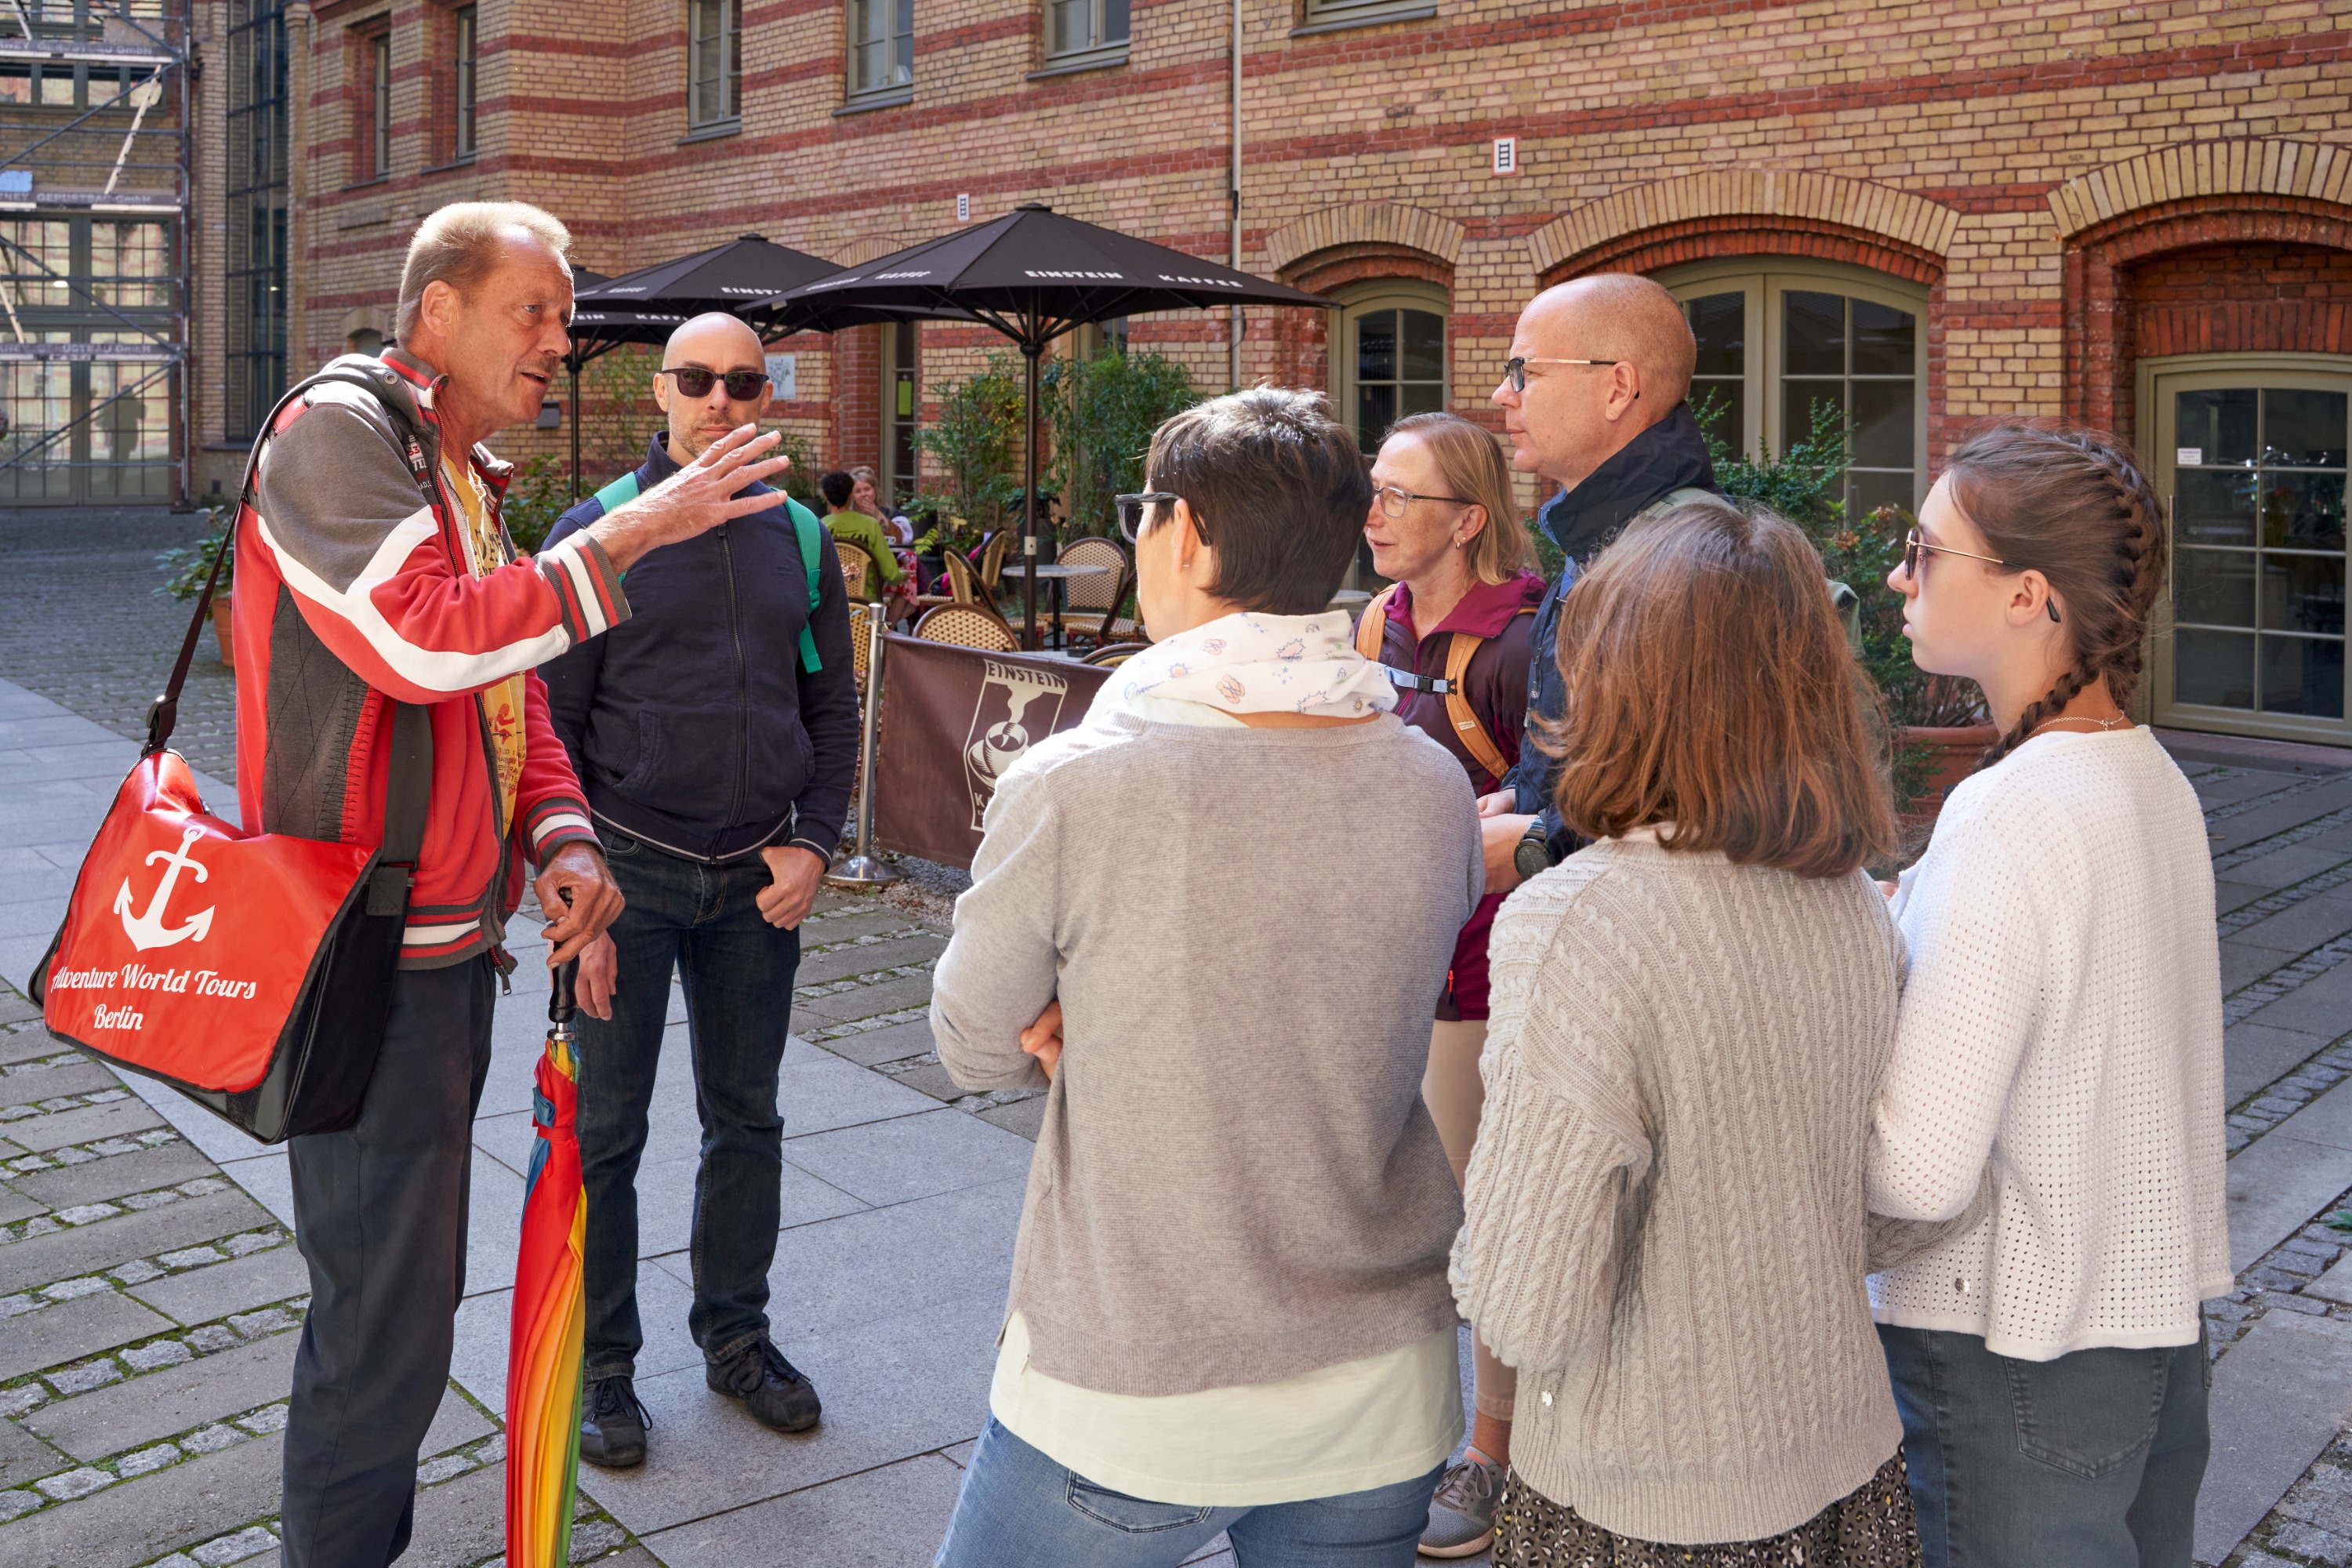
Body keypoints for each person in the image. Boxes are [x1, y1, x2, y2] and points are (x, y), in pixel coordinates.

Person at [233, 201, 789, 1566]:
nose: (565, 336)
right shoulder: (337, 435)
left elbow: (509, 689)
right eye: (535, 310)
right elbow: (423, 644)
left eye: (567, 309)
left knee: (406, 1320)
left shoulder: (452, 464)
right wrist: (633, 535)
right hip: (357, 963)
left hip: (437, 961)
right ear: (439, 313)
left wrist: (560, 838)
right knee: (382, 1335)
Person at [927, 388, 1482, 1568]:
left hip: (1137, 1380)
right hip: (1380, 1380)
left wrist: (1097, 1007)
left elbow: (972, 1042)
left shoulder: (1079, 783)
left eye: (1140, 514)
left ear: (1183, 533)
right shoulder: (1431, 782)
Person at [1452, 499, 1918, 1568]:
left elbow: (1527, 1307)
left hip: (1641, 1499)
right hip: (1848, 1463)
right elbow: (1894, 1213)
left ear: (1620, 679)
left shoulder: (1576, 924)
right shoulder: (1851, 900)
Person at [1867, 424, 2227, 1568]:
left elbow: (1915, 1169)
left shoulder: (2012, 810)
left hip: (2011, 1343)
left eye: (1925, 551)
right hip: (2145, 1330)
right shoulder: (2148, 773)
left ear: (2027, 595)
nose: (1898, 575)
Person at [539, 314, 858, 1467]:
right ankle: (605, 1370)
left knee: (748, 1121)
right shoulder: (600, 533)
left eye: (742, 382)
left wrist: (816, 841)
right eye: (697, 381)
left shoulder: (803, 538)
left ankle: (737, 1339)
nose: (719, 399)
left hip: (754, 887)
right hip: (626, 879)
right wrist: (573, 891)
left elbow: (830, 709)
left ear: (764, 395)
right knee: (607, 1135)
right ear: (660, 393)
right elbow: (551, 726)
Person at [1352, 409, 1544, 1559]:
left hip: (1480, 974)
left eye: (1401, 495)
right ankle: (1406, 1426)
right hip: (1387, 958)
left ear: (1467, 518)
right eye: (1373, 488)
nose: (1373, 512)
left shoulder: (1520, 642)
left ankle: (1492, 1449)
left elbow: (1554, 821)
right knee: (1396, 1208)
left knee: (1485, 1221)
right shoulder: (1376, 618)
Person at [1479, 274, 1726, 900]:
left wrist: (1538, 843)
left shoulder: (1687, 560)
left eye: (1524, 372)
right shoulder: (1599, 532)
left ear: (1618, 389)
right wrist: (1522, 794)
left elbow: (1698, 794)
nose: (1502, 395)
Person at [818, 467, 915, 620]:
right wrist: (901, 576)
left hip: (830, 604)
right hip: (865, 604)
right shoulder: (870, 525)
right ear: (851, 494)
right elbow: (890, 573)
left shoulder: (819, 526)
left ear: (825, 496)